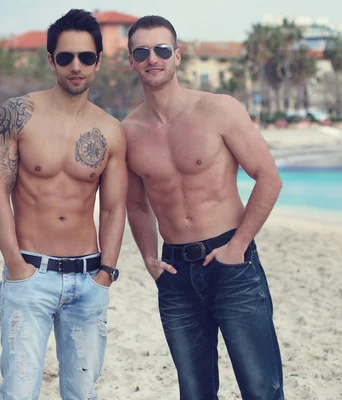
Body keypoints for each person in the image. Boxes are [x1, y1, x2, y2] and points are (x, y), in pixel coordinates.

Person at [122, 15, 284, 400]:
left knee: (261, 388)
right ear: (131, 61)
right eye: (141, 51)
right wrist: (148, 256)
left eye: (162, 49)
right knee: (194, 393)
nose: (152, 58)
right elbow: (135, 203)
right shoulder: (127, 132)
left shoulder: (219, 110)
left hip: (232, 263)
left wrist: (239, 244)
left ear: (177, 56)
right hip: (175, 273)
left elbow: (268, 178)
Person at [0, 9, 127, 400]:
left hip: (88, 277)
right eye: (65, 57)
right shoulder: (17, 115)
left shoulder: (111, 130)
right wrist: (15, 264)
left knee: (82, 393)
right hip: (30, 273)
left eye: (85, 57)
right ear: (51, 61)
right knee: (19, 391)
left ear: (98, 61)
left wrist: (106, 274)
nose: (75, 66)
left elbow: (115, 207)